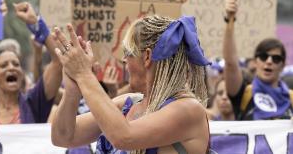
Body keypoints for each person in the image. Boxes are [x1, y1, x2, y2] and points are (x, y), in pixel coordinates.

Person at [51, 15, 210, 154]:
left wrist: (83, 74)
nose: (124, 60)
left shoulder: (189, 109)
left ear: (147, 56)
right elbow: (63, 136)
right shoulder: (127, 103)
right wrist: (72, 88)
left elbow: (124, 137)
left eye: (128, 52)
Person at [0, 2, 62, 124]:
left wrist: (35, 24)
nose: (11, 68)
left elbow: (58, 62)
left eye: (16, 64)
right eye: (3, 65)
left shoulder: (34, 103)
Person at [223, 0, 293, 120]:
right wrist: (229, 20)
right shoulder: (244, 93)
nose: (269, 61)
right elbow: (231, 64)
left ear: (282, 65)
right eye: (263, 56)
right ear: (255, 61)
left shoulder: (291, 99)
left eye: (276, 58)